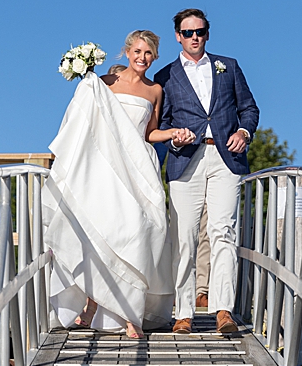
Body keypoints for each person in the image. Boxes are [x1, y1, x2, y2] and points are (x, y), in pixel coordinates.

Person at [42, 30, 195, 338]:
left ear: (154, 57)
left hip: (139, 167)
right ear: (127, 52)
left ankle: (131, 311)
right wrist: (84, 76)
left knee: (142, 232)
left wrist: (173, 133)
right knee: (105, 231)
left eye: (149, 53)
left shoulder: (155, 91)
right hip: (109, 169)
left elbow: (149, 132)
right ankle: (92, 305)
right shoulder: (104, 84)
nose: (142, 57)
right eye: (138, 51)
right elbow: (85, 118)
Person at [154, 8, 259, 334]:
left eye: (199, 31)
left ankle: (222, 309)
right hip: (185, 160)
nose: (194, 37)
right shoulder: (165, 77)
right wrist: (173, 139)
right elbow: (161, 124)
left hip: (225, 159)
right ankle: (183, 312)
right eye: (188, 33)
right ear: (178, 36)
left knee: (223, 232)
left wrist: (244, 132)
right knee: (183, 238)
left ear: (207, 34)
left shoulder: (229, 67)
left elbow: (249, 109)